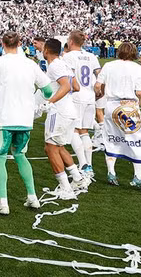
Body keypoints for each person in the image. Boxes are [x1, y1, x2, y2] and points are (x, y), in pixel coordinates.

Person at [0, 32, 52, 215]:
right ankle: (32, 197)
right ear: (20, 43)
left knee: (0, 157)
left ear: (2, 44)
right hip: (24, 118)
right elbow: (47, 90)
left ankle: (3, 202)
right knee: (21, 155)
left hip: (4, 118)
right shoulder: (30, 64)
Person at [95, 43, 141, 191]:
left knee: (112, 138)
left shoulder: (108, 65)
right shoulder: (139, 68)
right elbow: (140, 92)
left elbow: (98, 85)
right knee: (136, 140)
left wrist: (100, 94)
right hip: (130, 105)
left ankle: (111, 173)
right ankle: (138, 176)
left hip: (112, 105)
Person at [41, 39, 88, 200]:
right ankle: (78, 178)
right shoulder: (64, 64)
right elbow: (76, 86)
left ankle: (65, 187)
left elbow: (67, 86)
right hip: (69, 110)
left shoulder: (55, 65)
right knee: (59, 146)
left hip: (59, 112)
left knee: (50, 148)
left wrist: (50, 101)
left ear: (46, 50)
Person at [63, 30, 101, 177]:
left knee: (73, 130)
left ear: (71, 41)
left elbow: (70, 77)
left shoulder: (68, 56)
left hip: (76, 96)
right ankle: (89, 166)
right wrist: (99, 89)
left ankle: (83, 164)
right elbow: (99, 73)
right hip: (90, 95)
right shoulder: (91, 56)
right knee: (84, 131)